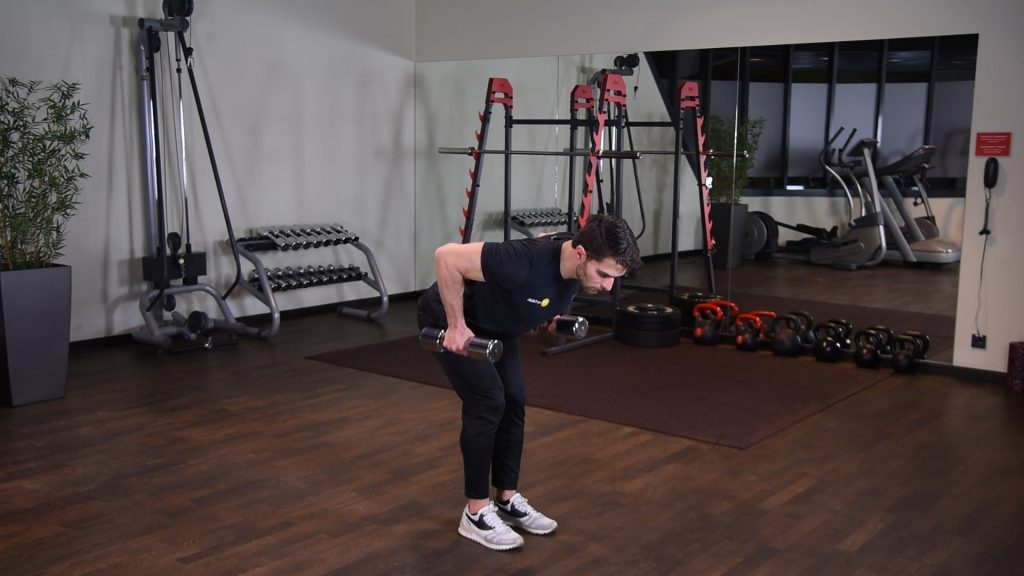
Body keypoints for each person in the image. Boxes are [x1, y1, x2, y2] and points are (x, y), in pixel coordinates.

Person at [417, 213, 642, 551]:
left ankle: (506, 499)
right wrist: (456, 325)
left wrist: (547, 315)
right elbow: (446, 256)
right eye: (604, 275)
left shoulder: (573, 252)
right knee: (487, 402)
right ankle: (475, 512)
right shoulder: (520, 260)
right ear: (581, 254)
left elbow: (549, 239)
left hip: (497, 325)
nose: (609, 287)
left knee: (514, 400)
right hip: (452, 319)